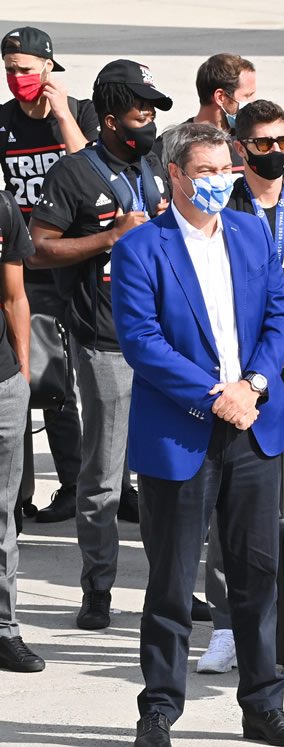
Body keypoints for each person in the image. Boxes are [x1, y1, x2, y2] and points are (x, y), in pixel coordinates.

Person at [111, 121, 284, 747]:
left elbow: (281, 317)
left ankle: (262, 706)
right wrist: (213, 396)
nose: (223, 182)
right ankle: (161, 708)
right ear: (174, 175)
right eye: (208, 173)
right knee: (171, 580)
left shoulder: (252, 233)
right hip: (183, 432)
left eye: (228, 171)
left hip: (253, 425)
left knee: (257, 576)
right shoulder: (142, 248)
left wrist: (251, 384)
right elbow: (142, 344)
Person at [192, 100, 284, 675]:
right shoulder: (222, 205)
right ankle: (230, 627)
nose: (277, 152)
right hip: (242, 384)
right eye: (263, 143)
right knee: (232, 512)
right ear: (239, 145)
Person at [28, 59, 173, 630]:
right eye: (141, 111)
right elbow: (38, 248)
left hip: (168, 347)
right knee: (105, 476)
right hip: (106, 343)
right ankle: (99, 588)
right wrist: (111, 237)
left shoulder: (159, 167)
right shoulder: (74, 174)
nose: (149, 122)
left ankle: (174, 588)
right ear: (110, 119)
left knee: (170, 475)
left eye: (154, 112)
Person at [1, 26, 96, 522]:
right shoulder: (2, 122)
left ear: (48, 67)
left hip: (76, 261)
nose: (18, 78)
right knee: (34, 377)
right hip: (28, 264)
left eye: (26, 69)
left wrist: (62, 117)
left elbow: (91, 172)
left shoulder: (79, 112)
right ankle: (18, 496)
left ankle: (79, 484)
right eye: (10, 70)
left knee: (77, 382)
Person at [0, 187, 42, 673]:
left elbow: (14, 295)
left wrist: (22, 377)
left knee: (3, 518)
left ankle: (4, 628)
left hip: (4, 385)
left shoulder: (3, 206)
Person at [160, 53, 255, 174]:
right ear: (220, 97)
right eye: (248, 95)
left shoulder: (252, 141)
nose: (253, 102)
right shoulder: (172, 144)